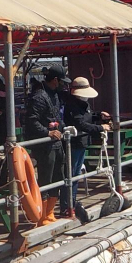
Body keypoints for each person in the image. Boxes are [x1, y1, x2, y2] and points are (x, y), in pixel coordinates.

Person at [24, 64, 70, 225]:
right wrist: (47, 132)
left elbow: (56, 117)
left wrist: (64, 127)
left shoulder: (54, 95)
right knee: (46, 178)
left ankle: (50, 213)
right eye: (62, 81)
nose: (64, 85)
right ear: (55, 80)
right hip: (45, 145)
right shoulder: (39, 96)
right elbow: (31, 120)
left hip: (56, 143)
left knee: (58, 176)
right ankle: (41, 215)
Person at [61, 77, 110, 218]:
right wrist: (100, 127)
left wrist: (98, 116)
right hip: (74, 143)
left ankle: (72, 202)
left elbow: (87, 117)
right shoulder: (72, 106)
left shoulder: (83, 104)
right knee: (71, 175)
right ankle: (67, 205)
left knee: (75, 174)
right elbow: (81, 124)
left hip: (82, 142)